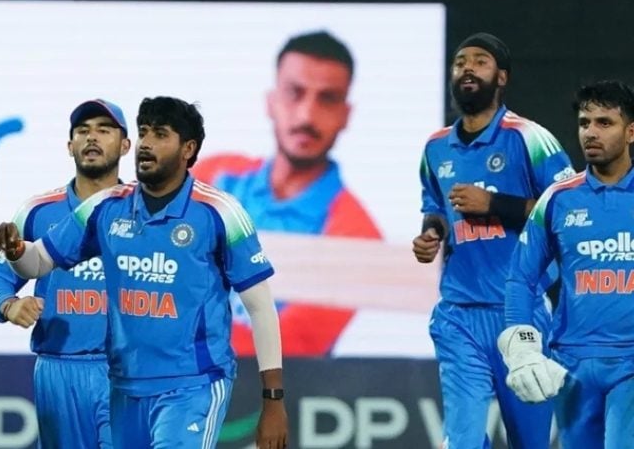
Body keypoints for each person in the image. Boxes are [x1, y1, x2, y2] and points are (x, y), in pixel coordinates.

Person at [0, 96, 288, 449]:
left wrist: (273, 399)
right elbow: (38, 262)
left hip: (192, 384)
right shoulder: (107, 206)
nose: (146, 143)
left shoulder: (219, 212)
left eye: (160, 134)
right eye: (144, 132)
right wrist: (16, 251)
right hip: (125, 386)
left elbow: (260, 308)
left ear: (188, 149)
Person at [413, 34, 574, 449]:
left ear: (501, 77)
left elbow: (569, 213)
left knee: (530, 441)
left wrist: (494, 204)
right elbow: (436, 208)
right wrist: (432, 234)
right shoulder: (435, 147)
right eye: (460, 61)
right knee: (462, 441)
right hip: (459, 314)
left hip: (520, 313)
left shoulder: (529, 138)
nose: (467, 67)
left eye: (480, 61)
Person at [193, 30, 379, 357]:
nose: (307, 116)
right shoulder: (212, 176)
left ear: (345, 115)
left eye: (327, 99)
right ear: (271, 101)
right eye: (295, 93)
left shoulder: (357, 235)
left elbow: (289, 346)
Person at [0, 99, 130, 448]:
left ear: (125, 145)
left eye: (104, 130)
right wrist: (9, 305)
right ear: (69, 145)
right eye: (83, 131)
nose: (92, 137)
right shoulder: (38, 211)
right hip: (58, 370)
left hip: (124, 370)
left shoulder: (141, 210)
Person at [500, 80, 634, 448]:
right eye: (584, 122)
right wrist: (522, 347)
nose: (590, 132)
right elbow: (520, 277)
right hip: (571, 366)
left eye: (604, 123)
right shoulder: (557, 199)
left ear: (631, 132)